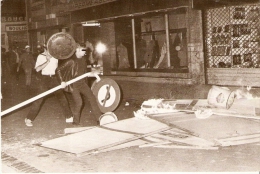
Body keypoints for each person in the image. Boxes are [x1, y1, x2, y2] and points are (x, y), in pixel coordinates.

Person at [24, 45, 73, 127]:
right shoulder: (41, 56)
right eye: (50, 49)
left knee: (62, 98)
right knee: (38, 100)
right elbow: (37, 69)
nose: (52, 50)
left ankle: (69, 116)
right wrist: (47, 61)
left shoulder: (56, 56)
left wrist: (61, 80)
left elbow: (59, 68)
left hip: (54, 79)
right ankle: (29, 119)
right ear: (45, 48)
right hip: (45, 79)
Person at [56, 43, 102, 125]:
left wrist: (90, 74)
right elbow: (58, 70)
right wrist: (62, 81)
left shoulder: (83, 59)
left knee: (92, 97)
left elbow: (83, 72)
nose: (85, 52)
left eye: (85, 50)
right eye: (83, 50)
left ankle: (99, 119)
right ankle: (75, 121)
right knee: (79, 102)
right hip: (74, 85)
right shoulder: (71, 61)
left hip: (82, 83)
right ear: (77, 50)